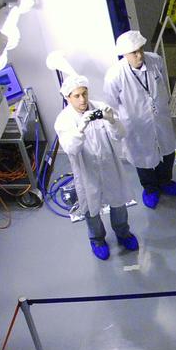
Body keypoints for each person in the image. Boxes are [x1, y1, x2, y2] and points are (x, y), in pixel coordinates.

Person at [54, 75, 140, 260]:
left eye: (84, 93)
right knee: (90, 207)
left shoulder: (101, 107)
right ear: (67, 98)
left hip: (109, 166)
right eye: (76, 96)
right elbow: (71, 148)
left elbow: (120, 135)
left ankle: (123, 233)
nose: (82, 99)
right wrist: (81, 128)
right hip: (87, 172)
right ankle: (97, 239)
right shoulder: (64, 120)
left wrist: (112, 120)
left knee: (118, 202)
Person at [103, 30, 176, 209]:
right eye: (134, 53)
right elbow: (111, 104)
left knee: (167, 151)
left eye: (141, 50)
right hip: (136, 126)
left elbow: (161, 82)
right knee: (142, 156)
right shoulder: (114, 75)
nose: (139, 55)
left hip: (160, 119)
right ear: (124, 54)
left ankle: (166, 182)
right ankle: (150, 188)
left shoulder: (155, 60)